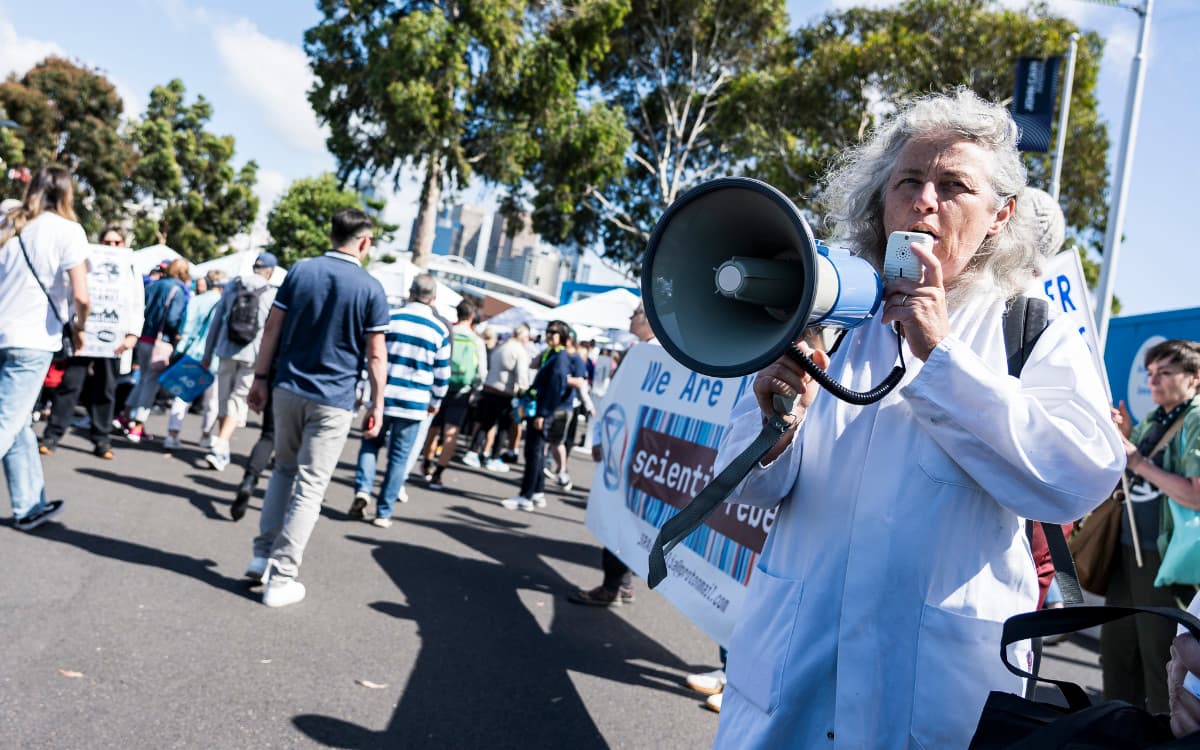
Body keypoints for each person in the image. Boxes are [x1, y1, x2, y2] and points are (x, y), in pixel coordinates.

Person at [709, 89, 1123, 748]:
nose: (925, 199)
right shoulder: (829, 315)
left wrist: (941, 357)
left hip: (934, 692)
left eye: (953, 185)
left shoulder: (1029, 328)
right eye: (909, 180)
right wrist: (773, 427)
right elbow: (742, 489)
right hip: (790, 673)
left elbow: (1083, 477)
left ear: (1000, 215)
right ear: (883, 201)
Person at [245, 209, 388, 608]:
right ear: (364, 241)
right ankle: (283, 575)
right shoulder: (371, 288)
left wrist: (260, 378)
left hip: (288, 386)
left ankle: (260, 556)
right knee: (310, 486)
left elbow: (272, 327)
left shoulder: (301, 271)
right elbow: (376, 356)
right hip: (334, 398)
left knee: (283, 471)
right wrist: (377, 402)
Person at [1102, 339, 1200, 713]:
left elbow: (1195, 495)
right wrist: (1126, 440)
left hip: (1167, 564)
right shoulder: (1155, 419)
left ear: (1195, 378)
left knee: (1163, 668)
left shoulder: (1195, 419)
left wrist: (1137, 459)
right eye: (1150, 374)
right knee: (1118, 659)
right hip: (1128, 555)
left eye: (1165, 373)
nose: (1154, 381)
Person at [0, 166, 90, 529]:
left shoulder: (11, 223)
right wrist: (80, 328)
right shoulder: (69, 231)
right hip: (33, 340)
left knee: (18, 422)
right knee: (7, 422)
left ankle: (28, 506)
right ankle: (28, 506)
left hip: (3, 330)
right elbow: (81, 295)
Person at [568, 303, 654, 605]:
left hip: (636, 454)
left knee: (621, 518)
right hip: (627, 449)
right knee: (625, 518)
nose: (631, 318)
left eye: (635, 313)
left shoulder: (654, 354)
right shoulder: (640, 351)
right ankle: (623, 583)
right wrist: (600, 435)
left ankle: (612, 587)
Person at [351, 274, 450, 527]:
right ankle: (383, 512)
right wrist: (436, 401)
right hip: (415, 401)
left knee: (370, 444)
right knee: (399, 458)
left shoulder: (391, 318)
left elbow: (371, 356)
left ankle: (363, 489)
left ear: (410, 292)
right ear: (434, 299)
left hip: (382, 395)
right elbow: (442, 374)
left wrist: (363, 391)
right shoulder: (439, 329)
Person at [39, 224, 143, 459]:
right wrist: (76, 327)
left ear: (124, 244)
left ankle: (102, 439)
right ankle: (52, 435)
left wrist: (132, 335)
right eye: (107, 242)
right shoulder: (87, 262)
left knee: (105, 390)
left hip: (113, 340)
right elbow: (73, 296)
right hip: (83, 336)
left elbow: (137, 303)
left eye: (117, 242)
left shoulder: (130, 268)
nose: (112, 247)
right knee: (70, 386)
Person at [200, 252, 279, 470]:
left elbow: (217, 322)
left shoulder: (233, 287)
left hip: (226, 349)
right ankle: (221, 445)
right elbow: (271, 330)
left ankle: (220, 445)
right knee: (238, 399)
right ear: (270, 272)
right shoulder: (271, 293)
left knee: (224, 398)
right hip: (253, 355)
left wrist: (208, 354)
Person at [502, 320, 574, 511]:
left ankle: (525, 496)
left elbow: (555, 388)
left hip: (543, 411)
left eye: (554, 332)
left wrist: (543, 414)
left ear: (563, 336)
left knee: (533, 453)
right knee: (537, 453)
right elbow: (537, 370)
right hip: (540, 409)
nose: (549, 335)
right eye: (548, 331)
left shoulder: (559, 357)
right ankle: (537, 492)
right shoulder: (551, 353)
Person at [419, 300, 486, 490]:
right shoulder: (477, 341)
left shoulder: (447, 332)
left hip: (439, 385)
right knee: (451, 432)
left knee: (432, 428)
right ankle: (438, 474)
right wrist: (475, 390)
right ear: (472, 316)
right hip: (462, 392)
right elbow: (482, 373)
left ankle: (427, 463)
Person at [125, 257, 190, 443]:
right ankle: (137, 424)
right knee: (150, 383)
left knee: (143, 379)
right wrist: (177, 334)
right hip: (160, 341)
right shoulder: (178, 290)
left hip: (142, 337)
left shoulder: (153, 285)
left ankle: (127, 414)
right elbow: (172, 319)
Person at [163, 269, 226, 450]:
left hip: (194, 352)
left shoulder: (197, 300)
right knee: (212, 400)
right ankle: (206, 435)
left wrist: (180, 350)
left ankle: (172, 434)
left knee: (183, 394)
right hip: (215, 356)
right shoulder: (225, 304)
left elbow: (187, 327)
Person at [461, 323, 532, 473]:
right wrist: (524, 393)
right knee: (503, 427)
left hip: (489, 388)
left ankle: (473, 452)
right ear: (523, 337)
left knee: (485, 423)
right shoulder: (519, 351)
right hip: (504, 392)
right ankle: (494, 457)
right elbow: (522, 375)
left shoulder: (501, 346)